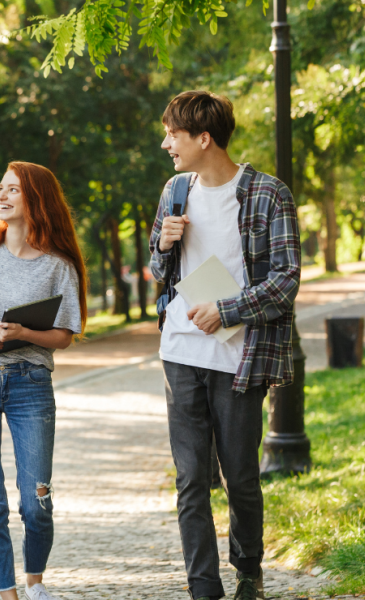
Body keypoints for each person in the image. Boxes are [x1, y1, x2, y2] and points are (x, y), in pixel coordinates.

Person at [149, 91, 301, 600]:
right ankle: (203, 588)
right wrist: (164, 244)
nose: (166, 144)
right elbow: (158, 268)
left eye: (173, 134)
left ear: (204, 138)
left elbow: (286, 279)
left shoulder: (268, 194)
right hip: (180, 351)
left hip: (240, 355)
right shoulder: (174, 191)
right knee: (191, 478)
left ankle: (248, 572)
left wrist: (227, 310)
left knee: (239, 475)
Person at [0, 162, 87, 600]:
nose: (1, 197)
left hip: (30, 384)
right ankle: (8, 595)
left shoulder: (59, 265)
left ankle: (35, 583)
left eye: (12, 190)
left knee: (36, 501)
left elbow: (64, 336)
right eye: (0, 189)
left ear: (36, 199)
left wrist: (24, 332)